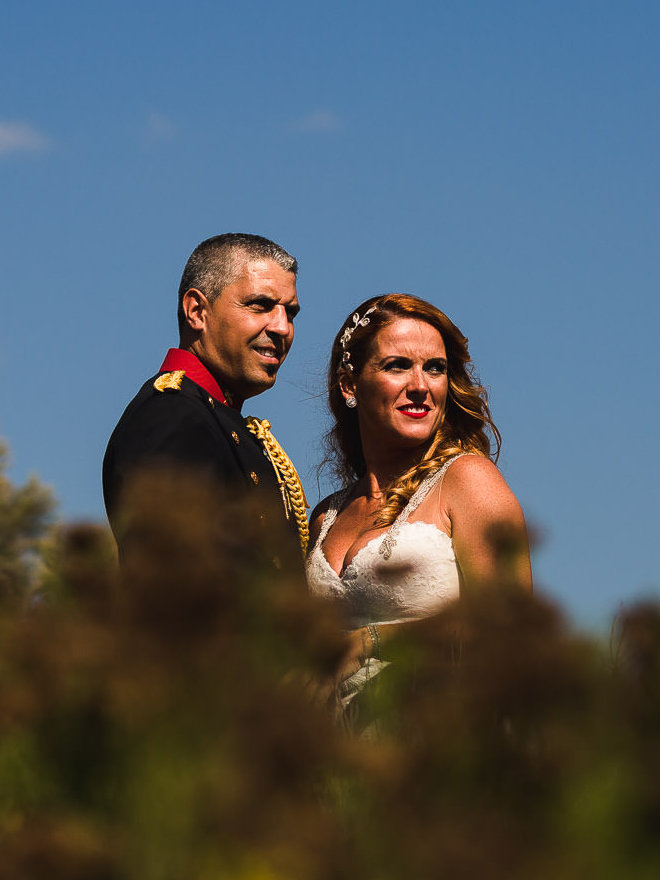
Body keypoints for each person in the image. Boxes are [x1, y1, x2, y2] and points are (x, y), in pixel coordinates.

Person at [307, 294, 529, 696]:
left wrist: (370, 641)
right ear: (349, 384)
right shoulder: (324, 518)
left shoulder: (467, 481)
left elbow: (513, 628)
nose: (420, 386)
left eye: (435, 369)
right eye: (398, 366)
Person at [101, 233, 309, 569]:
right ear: (197, 311)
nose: (282, 328)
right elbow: (180, 589)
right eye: (260, 305)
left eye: (291, 313)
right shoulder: (171, 415)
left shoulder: (212, 415)